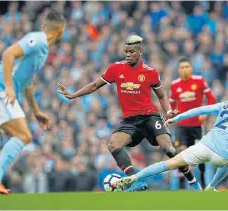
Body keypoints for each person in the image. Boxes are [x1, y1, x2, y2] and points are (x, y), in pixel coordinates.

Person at [58, 35, 202, 192]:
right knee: (113, 144)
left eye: (131, 51)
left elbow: (161, 95)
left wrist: (168, 111)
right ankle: (135, 182)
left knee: (169, 149)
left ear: (140, 51)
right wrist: (73, 95)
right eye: (126, 51)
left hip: (150, 117)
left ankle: (193, 181)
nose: (127, 55)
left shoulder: (151, 73)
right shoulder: (115, 69)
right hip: (130, 120)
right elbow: (94, 85)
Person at [115, 87, 228, 191]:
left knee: (170, 164)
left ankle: (135, 176)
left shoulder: (225, 104)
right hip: (223, 156)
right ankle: (211, 187)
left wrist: (177, 118)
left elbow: (200, 110)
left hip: (204, 146)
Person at [0, 10, 66, 194]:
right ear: (59, 32)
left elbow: (28, 82)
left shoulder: (42, 52)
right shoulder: (37, 40)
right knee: (22, 135)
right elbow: (8, 54)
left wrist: (36, 110)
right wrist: (8, 87)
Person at [169, 57, 216, 188]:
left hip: (197, 126)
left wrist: (205, 113)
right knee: (181, 154)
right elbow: (171, 105)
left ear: (191, 68)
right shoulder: (174, 84)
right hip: (182, 126)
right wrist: (172, 115)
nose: (185, 69)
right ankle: (182, 184)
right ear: (178, 70)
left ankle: (203, 181)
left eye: (187, 67)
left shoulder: (199, 81)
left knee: (200, 155)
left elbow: (211, 98)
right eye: (182, 67)